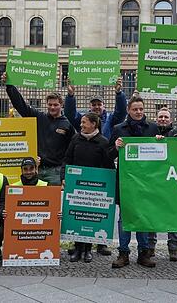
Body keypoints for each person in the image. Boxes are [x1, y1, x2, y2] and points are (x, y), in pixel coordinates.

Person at [110, 95, 160, 269]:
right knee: (124, 218)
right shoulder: (118, 129)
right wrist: (115, 147)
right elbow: (108, 154)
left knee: (143, 217)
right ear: (128, 110)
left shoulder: (152, 128)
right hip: (126, 182)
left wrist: (160, 142)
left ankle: (144, 253)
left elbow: (162, 154)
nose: (138, 112)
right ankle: (123, 253)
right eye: (135, 109)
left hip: (146, 182)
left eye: (141, 109)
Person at [2, 72, 75, 185]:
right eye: (50, 104)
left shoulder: (67, 124)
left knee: (53, 197)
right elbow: (21, 105)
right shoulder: (39, 117)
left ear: (61, 105)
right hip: (37, 170)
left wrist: (65, 172)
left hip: (56, 172)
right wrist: (10, 86)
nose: (52, 107)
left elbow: (71, 150)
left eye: (55, 105)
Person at [62, 112, 114, 263]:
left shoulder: (103, 142)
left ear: (93, 124)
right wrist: (64, 177)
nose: (81, 125)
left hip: (94, 189)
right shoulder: (75, 139)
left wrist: (108, 184)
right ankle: (78, 249)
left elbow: (108, 165)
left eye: (84, 122)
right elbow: (67, 159)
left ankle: (88, 250)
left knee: (90, 218)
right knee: (78, 216)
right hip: (76, 186)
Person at [149, 95, 177, 262]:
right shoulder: (150, 132)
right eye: (160, 117)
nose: (163, 119)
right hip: (153, 181)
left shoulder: (176, 133)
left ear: (170, 120)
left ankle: (173, 248)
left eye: (165, 117)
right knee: (151, 215)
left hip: (172, 181)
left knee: (172, 215)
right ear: (156, 119)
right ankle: (150, 247)